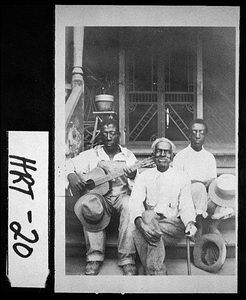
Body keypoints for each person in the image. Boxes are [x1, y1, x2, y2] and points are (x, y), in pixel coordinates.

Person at [66, 117, 138, 275]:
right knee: (90, 204)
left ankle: (127, 258)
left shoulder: (128, 156)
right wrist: (71, 175)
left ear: (119, 135)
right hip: (100, 197)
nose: (109, 137)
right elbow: (67, 163)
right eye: (105, 133)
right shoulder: (92, 154)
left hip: (121, 195)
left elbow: (137, 184)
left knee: (131, 206)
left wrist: (132, 176)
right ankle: (94, 257)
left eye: (112, 133)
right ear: (101, 136)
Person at [129, 137, 197, 275]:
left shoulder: (181, 177)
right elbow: (135, 203)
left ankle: (151, 271)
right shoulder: (144, 177)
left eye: (166, 152)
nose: (162, 155)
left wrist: (190, 223)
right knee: (145, 221)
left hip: (173, 225)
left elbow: (186, 206)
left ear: (172, 156)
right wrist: (141, 224)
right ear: (153, 155)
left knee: (140, 233)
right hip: (151, 223)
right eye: (159, 151)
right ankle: (157, 273)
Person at [172, 118, 217, 236]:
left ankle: (210, 227)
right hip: (186, 199)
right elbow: (177, 184)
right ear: (189, 135)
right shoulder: (181, 156)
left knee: (222, 193)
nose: (197, 136)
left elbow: (212, 182)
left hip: (205, 197)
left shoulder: (209, 157)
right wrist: (196, 183)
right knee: (198, 188)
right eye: (194, 132)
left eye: (201, 132)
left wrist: (203, 184)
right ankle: (199, 226)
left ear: (205, 135)